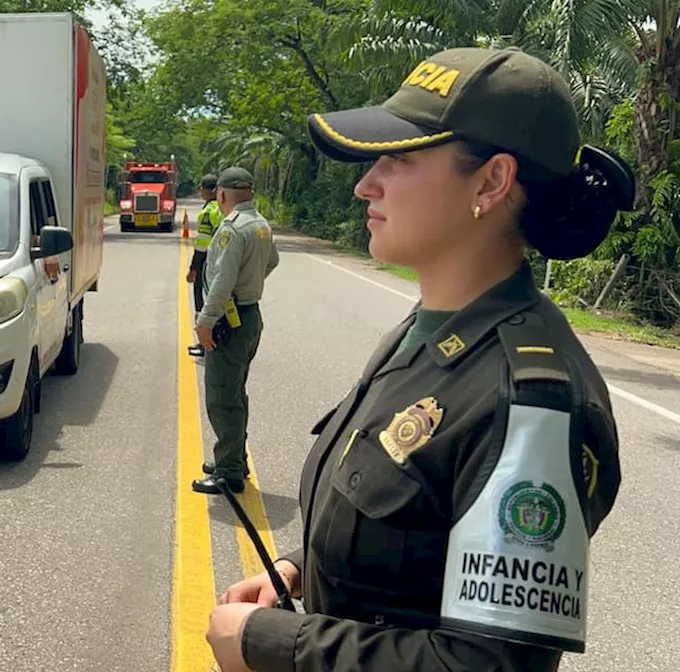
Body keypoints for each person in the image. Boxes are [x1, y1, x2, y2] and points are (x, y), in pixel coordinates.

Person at [204, 46, 635, 672]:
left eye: (399, 160)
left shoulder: (530, 401)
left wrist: (268, 643)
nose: (364, 183)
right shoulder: (426, 328)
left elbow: (488, 664)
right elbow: (407, 525)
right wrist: (300, 569)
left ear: (491, 182)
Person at [191, 166, 280, 495]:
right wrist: (252, 284)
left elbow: (221, 281)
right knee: (235, 391)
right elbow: (272, 262)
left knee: (222, 397)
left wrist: (205, 321)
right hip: (249, 315)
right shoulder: (260, 224)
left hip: (228, 320)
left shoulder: (232, 229)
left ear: (222, 195)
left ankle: (228, 472)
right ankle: (234, 458)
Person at [186, 174, 222, 357]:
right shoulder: (226, 208)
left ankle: (203, 344)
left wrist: (193, 268)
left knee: (202, 303)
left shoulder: (207, 212)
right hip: (224, 263)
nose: (201, 192)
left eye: (201, 189)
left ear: (208, 190)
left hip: (207, 264)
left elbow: (202, 244)